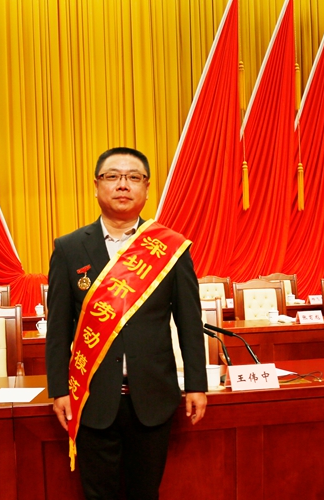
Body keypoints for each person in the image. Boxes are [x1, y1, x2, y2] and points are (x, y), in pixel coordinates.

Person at [45, 146, 208, 499]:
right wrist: (59, 389)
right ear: (96, 186)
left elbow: (189, 323)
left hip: (153, 397)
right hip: (91, 398)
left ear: (147, 188)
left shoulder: (171, 248)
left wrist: (197, 384)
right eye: (113, 177)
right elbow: (58, 329)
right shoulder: (69, 248)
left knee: (145, 493)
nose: (123, 185)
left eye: (134, 177)